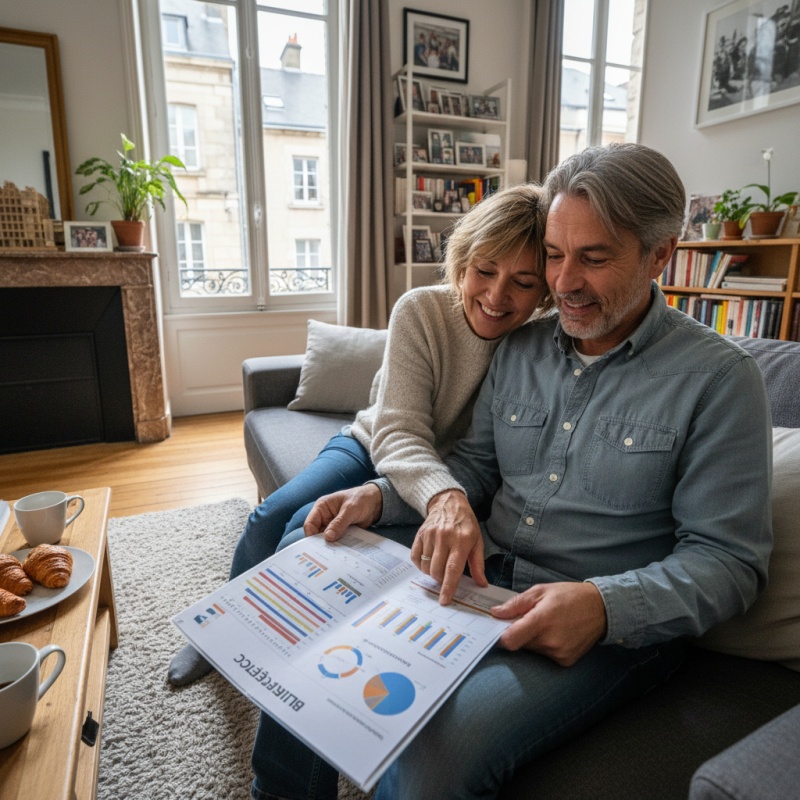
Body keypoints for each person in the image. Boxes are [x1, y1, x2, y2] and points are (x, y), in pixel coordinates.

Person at [256, 143, 773, 800]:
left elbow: (730, 562)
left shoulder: (720, 381)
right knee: (311, 566)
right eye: (555, 255)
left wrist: (603, 607)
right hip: (481, 571)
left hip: (602, 626)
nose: (563, 283)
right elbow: (474, 468)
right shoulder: (521, 349)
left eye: (594, 257)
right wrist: (377, 498)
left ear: (660, 254)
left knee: (430, 761)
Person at [167, 182, 552, 686]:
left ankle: (285, 643)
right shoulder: (421, 310)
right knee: (271, 514)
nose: (497, 296)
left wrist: (443, 491)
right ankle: (216, 632)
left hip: (445, 474)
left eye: (523, 283)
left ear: (545, 289)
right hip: (376, 444)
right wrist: (442, 496)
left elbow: (484, 460)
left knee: (310, 529)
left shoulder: (536, 344)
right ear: (462, 262)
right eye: (484, 271)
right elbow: (397, 429)